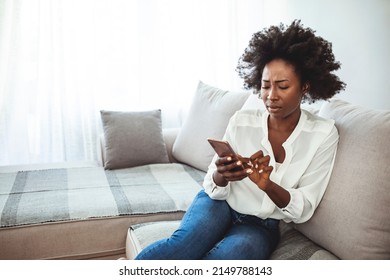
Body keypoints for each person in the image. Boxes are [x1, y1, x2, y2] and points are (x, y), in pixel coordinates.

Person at [135, 20, 346, 260]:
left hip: (261, 223)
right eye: (265, 86)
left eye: (282, 86)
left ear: (305, 87)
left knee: (232, 256)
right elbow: (212, 185)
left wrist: (267, 185)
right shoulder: (242, 120)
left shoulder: (323, 134)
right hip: (220, 203)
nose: (271, 96)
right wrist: (221, 175)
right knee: (183, 245)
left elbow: (304, 207)